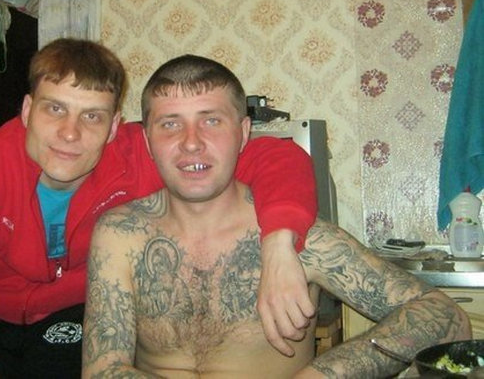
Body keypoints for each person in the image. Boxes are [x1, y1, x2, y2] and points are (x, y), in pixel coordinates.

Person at [0, 39, 318, 379]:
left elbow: (277, 157)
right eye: (54, 109)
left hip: (71, 315)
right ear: (26, 111)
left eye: (92, 116)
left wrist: (278, 245)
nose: (70, 133)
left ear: (113, 127)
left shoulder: (138, 156)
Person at [82, 54, 472, 378]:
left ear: (243, 133)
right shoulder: (121, 235)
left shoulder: (299, 240)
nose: (191, 143)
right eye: (170, 124)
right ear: (148, 141)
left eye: (211, 120)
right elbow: (102, 369)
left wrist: (323, 374)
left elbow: (445, 316)